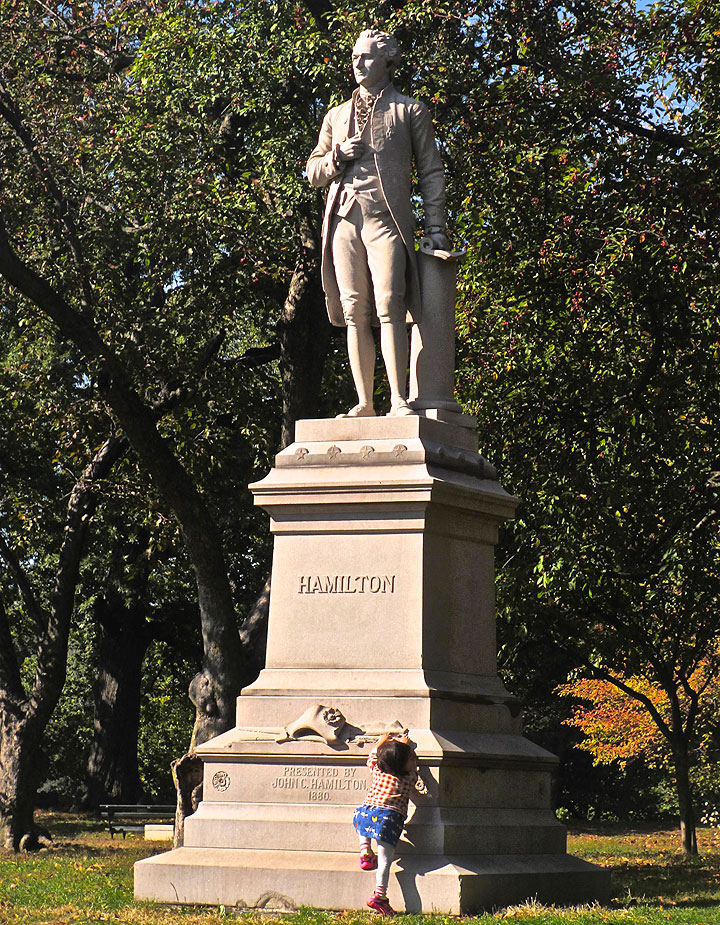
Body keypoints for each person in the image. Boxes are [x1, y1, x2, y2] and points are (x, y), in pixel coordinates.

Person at [306, 29, 450, 418]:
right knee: (354, 311)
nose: (358, 63)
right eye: (354, 56)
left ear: (387, 61)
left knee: (390, 305)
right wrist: (337, 157)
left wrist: (435, 225)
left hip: (386, 219)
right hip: (343, 218)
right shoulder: (335, 115)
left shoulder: (410, 111)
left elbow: (431, 172)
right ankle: (365, 402)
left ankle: (398, 400)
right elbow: (313, 170)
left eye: (367, 57)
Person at [352, 732, 421, 915]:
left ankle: (365, 850)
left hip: (365, 814)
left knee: (364, 822)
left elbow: (373, 755)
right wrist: (406, 747)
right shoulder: (408, 779)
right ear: (402, 764)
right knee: (384, 861)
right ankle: (379, 897)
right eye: (412, 758)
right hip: (388, 821)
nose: (415, 761)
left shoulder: (378, 771)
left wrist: (383, 740)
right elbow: (413, 771)